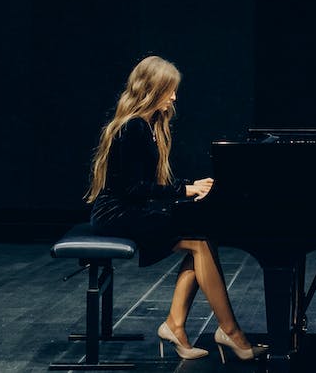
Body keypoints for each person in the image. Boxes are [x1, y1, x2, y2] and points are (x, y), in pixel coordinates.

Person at [85, 55, 265, 362]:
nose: (174, 96)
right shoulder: (133, 128)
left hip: (130, 209)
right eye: (169, 89)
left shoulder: (150, 125)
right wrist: (185, 189)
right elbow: (131, 189)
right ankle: (228, 332)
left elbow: (149, 183)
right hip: (115, 214)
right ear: (152, 90)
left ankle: (177, 326)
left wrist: (190, 185)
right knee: (199, 240)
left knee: (201, 239)